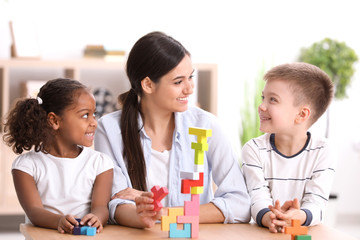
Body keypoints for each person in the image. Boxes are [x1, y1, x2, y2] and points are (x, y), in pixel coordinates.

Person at [94, 31, 251, 228]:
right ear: (148, 84)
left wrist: (166, 213)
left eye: (190, 77)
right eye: (178, 82)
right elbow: (115, 202)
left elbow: (239, 204)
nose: (189, 88)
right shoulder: (109, 130)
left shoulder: (206, 126)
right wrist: (143, 216)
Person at [3, 78, 113, 234]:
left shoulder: (100, 163)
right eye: (85, 115)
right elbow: (34, 211)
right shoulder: (26, 166)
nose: (94, 122)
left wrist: (97, 217)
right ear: (54, 120)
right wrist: (58, 221)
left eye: (94, 114)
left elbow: (101, 207)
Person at [241, 62, 336, 233]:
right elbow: (257, 198)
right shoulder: (254, 149)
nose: (262, 106)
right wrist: (269, 217)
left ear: (301, 114)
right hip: (264, 233)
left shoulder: (323, 150)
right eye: (264, 97)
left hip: (305, 232)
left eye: (273, 100)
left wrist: (299, 216)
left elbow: (317, 203)